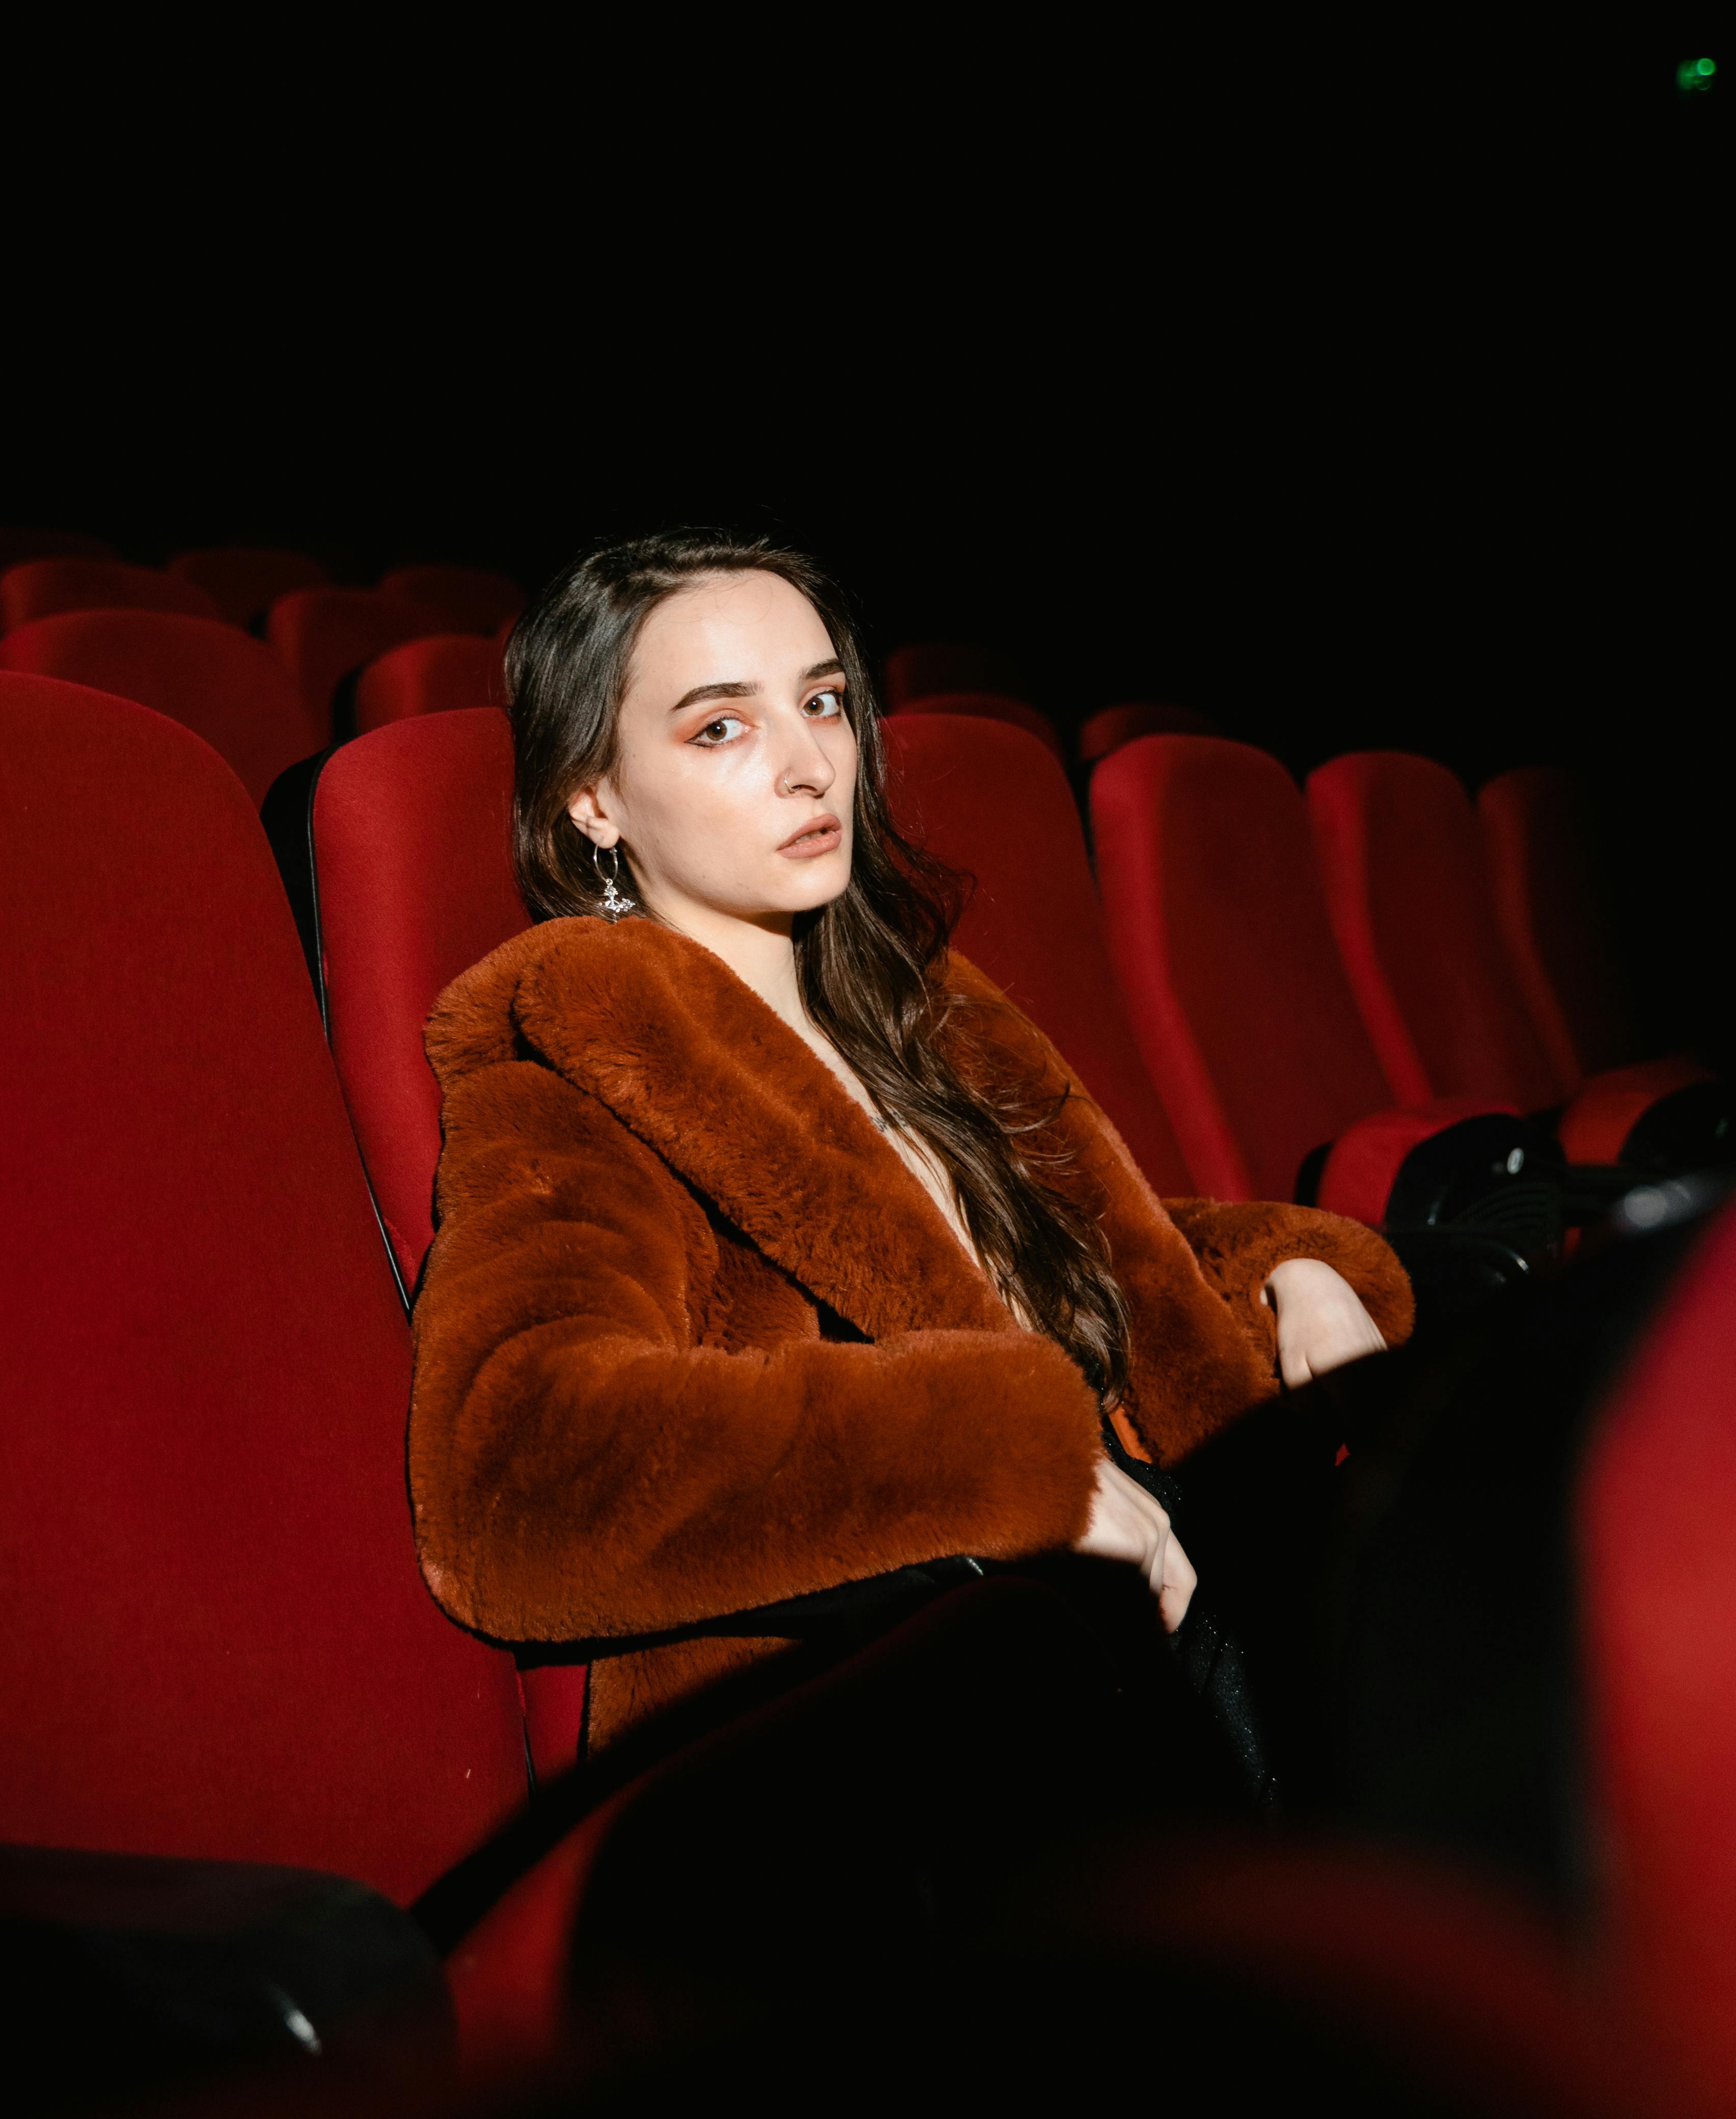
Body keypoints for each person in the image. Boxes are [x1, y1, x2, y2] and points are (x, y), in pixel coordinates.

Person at [409, 532, 1413, 1755]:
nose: (807, 765)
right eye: (720, 727)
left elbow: (1084, 1265)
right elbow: (517, 1475)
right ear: (593, 800)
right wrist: (987, 1468)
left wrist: (1293, 1274)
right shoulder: (579, 1055)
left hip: (1163, 1627)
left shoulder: (914, 1004)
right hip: (905, 1720)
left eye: (822, 702)